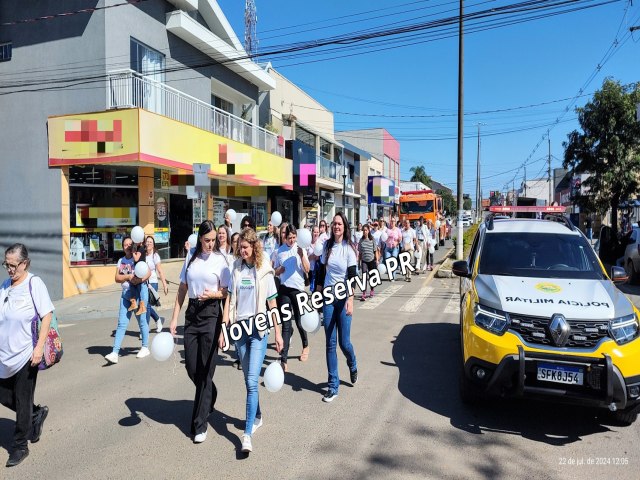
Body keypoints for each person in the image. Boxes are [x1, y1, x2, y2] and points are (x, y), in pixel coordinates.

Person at [221, 228, 284, 453]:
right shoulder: (235, 268)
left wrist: (277, 333)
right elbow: (229, 299)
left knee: (251, 380)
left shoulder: (265, 270)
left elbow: (273, 304)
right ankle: (257, 415)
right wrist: (223, 329)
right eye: (240, 247)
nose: (242, 250)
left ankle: (246, 435)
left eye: (246, 247)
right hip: (239, 331)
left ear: (254, 247)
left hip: (258, 331)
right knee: (249, 382)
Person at [169, 220, 230, 443]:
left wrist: (213, 296)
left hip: (212, 314)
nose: (211, 244)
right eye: (207, 240)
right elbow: (183, 288)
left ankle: (199, 424)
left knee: (205, 371)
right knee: (192, 367)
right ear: (200, 238)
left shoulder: (221, 260)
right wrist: (175, 316)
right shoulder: (191, 258)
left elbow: (226, 292)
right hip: (192, 314)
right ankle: (210, 394)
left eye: (214, 240)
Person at [0, 244, 52, 467]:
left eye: (13, 265)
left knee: (22, 399)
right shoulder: (4, 286)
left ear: (25, 263)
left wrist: (39, 347)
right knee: (4, 395)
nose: (9, 269)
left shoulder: (34, 283)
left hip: (26, 355)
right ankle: (35, 413)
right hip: (4, 355)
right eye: (6, 264)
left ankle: (20, 446)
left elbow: (47, 315)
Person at [315, 212, 358, 403]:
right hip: (328, 297)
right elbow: (321, 270)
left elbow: (352, 277)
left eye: (339, 224)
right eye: (334, 224)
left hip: (343, 298)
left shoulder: (349, 249)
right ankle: (333, 385)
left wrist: (350, 299)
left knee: (344, 343)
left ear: (345, 226)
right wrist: (317, 291)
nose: (336, 226)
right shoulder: (327, 246)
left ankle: (352, 362)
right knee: (330, 343)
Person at [105, 237, 152, 364]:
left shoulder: (137, 258)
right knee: (121, 324)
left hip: (139, 294)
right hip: (126, 296)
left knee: (142, 321)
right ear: (122, 247)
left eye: (130, 244)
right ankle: (115, 352)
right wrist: (128, 276)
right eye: (125, 245)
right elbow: (116, 277)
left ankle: (145, 347)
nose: (128, 246)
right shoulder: (121, 261)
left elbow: (148, 273)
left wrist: (139, 280)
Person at [274, 224, 311, 371]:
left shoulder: (300, 249)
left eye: (294, 238)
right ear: (285, 237)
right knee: (286, 324)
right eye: (289, 238)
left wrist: (301, 256)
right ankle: (284, 359)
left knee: (300, 322)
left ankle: (306, 345)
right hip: (284, 290)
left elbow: (307, 269)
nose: (291, 240)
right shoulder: (279, 251)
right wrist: (279, 270)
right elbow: (274, 271)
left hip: (298, 290)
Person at [144, 236, 168, 334]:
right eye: (147, 242)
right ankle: (158, 320)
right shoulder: (143, 255)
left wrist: (165, 285)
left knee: (148, 305)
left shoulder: (155, 256)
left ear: (153, 244)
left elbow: (160, 271)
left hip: (153, 283)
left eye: (151, 242)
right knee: (145, 306)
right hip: (144, 282)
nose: (149, 243)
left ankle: (144, 329)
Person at [124, 238, 149, 316]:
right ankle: (134, 303)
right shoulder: (139, 248)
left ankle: (141, 306)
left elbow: (136, 258)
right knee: (134, 285)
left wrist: (133, 251)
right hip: (138, 271)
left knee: (139, 287)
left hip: (141, 271)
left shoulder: (141, 249)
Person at [358, 224, 378, 300]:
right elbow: (360, 252)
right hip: (364, 261)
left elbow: (375, 250)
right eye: (363, 230)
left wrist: (377, 260)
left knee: (372, 276)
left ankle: (372, 290)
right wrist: (359, 262)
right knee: (364, 276)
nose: (364, 232)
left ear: (368, 231)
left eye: (366, 230)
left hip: (371, 260)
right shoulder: (361, 240)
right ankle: (364, 293)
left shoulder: (372, 239)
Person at [307, 225, 321, 292]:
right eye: (314, 232)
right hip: (310, 269)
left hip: (319, 269)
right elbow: (305, 257)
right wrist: (311, 257)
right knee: (311, 288)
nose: (316, 234)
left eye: (317, 232)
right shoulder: (308, 243)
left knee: (317, 289)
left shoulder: (321, 243)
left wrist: (319, 257)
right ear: (312, 232)